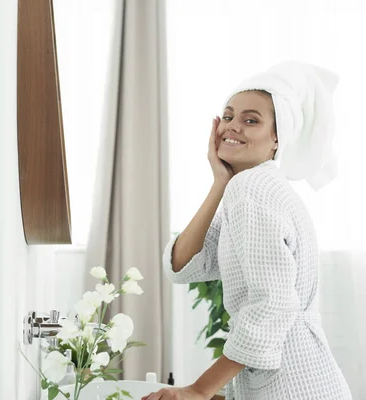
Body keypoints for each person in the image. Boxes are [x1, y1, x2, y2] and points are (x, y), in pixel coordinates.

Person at [142, 61, 353, 400]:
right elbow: (183, 266)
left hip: (291, 382)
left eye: (250, 120)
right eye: (227, 117)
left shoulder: (253, 190)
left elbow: (273, 305)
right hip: (303, 376)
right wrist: (219, 183)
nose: (231, 127)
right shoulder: (248, 188)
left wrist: (199, 390)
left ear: (276, 138)